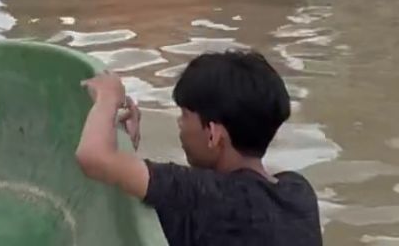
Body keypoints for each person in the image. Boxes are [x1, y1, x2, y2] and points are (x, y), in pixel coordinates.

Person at [75, 51, 322, 245]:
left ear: (213, 134)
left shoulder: (203, 197)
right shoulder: (298, 193)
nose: (179, 124)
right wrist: (126, 151)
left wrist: (109, 96)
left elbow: (93, 157)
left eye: (185, 115)